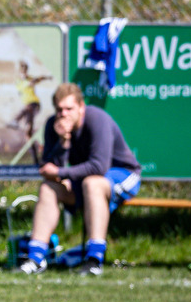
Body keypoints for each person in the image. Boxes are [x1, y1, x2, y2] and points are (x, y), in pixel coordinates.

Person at [19, 82, 141, 277]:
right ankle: (36, 258)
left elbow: (98, 167)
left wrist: (62, 173)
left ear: (81, 108)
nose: (63, 114)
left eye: (69, 109)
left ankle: (94, 259)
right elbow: (48, 169)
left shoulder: (97, 119)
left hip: (124, 176)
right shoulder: (53, 126)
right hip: (86, 182)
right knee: (49, 188)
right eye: (59, 110)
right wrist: (63, 142)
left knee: (92, 183)